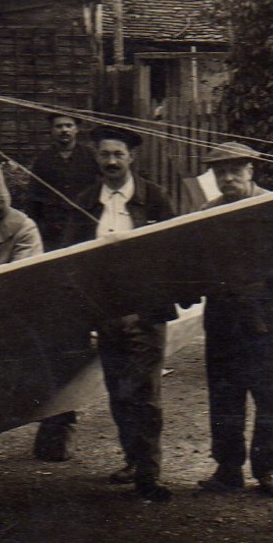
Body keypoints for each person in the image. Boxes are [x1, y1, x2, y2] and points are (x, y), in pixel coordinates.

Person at [60, 126, 176, 498]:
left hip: (145, 313)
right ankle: (132, 459)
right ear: (96, 158)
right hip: (105, 313)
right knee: (119, 392)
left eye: (118, 155)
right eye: (104, 154)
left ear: (131, 158)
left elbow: (175, 252)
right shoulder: (85, 201)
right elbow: (70, 260)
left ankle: (150, 472)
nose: (111, 161)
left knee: (146, 393)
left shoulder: (155, 198)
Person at [198, 142, 273, 498]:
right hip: (222, 322)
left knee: (269, 399)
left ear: (251, 170)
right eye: (220, 172)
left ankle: (268, 470)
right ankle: (228, 468)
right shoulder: (206, 214)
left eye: (235, 170)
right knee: (224, 399)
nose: (228, 177)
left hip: (267, 323)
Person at [24, 113, 100, 251]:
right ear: (52, 131)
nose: (64, 130)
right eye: (59, 126)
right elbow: (33, 197)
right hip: (53, 229)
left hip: (85, 225)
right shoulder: (43, 160)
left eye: (69, 126)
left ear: (76, 129)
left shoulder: (90, 156)